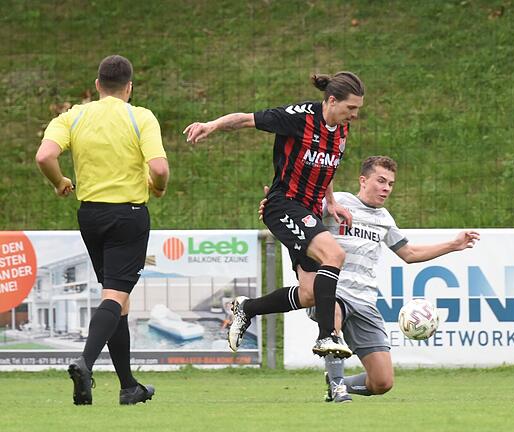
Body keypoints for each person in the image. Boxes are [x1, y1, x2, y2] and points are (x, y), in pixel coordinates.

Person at [261, 156, 480, 403]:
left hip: (364, 300)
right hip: (331, 290)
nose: (386, 188)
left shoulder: (385, 219)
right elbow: (299, 217)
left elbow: (409, 254)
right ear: (363, 180)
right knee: (332, 311)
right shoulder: (337, 202)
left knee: (382, 382)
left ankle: (340, 383)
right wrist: (276, 207)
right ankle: (337, 387)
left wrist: (453, 244)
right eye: (381, 181)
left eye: (390, 184)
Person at [184, 72, 365, 358]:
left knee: (309, 294)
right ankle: (327, 336)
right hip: (284, 205)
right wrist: (212, 125)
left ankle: (247, 308)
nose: (355, 115)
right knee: (335, 256)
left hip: (308, 212)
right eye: (351, 108)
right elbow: (246, 119)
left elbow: (326, 166)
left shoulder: (341, 129)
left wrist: (330, 201)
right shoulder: (299, 117)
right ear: (331, 100)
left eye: (357, 109)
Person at [35, 55, 169, 405]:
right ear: (129, 87)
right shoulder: (140, 116)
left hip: (90, 216)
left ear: (96, 86)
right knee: (114, 296)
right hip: (128, 215)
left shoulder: (72, 116)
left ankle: (128, 387)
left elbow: (44, 156)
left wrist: (60, 181)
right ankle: (85, 363)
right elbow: (159, 167)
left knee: (117, 300)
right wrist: (158, 186)